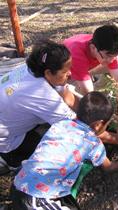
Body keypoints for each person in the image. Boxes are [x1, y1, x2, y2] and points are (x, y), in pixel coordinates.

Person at [10, 91, 118, 209]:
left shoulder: (60, 124)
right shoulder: (93, 142)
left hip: (19, 183)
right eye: (107, 124)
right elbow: (109, 168)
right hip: (37, 198)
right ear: (98, 124)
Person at [0, 40, 78, 174]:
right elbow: (74, 125)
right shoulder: (41, 92)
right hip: (7, 143)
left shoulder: (31, 69)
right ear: (48, 73)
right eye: (65, 71)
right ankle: (11, 160)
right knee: (63, 148)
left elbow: (68, 97)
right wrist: (112, 137)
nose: (70, 74)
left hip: (6, 119)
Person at [63, 24, 118, 152]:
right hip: (66, 77)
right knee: (79, 101)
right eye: (107, 56)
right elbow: (91, 98)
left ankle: (91, 81)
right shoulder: (77, 53)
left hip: (86, 69)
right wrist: (116, 122)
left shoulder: (107, 48)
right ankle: (86, 81)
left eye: (114, 56)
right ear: (93, 47)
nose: (111, 59)